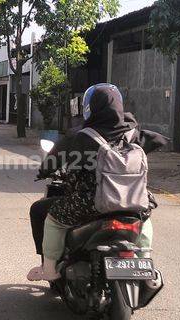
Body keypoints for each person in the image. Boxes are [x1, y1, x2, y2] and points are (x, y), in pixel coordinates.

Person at [27, 83, 167, 281]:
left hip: (91, 204)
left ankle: (49, 269)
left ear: (89, 107)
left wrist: (44, 171)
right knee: (144, 218)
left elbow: (52, 162)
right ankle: (145, 260)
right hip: (133, 202)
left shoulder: (80, 136)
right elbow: (159, 140)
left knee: (52, 219)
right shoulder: (132, 134)